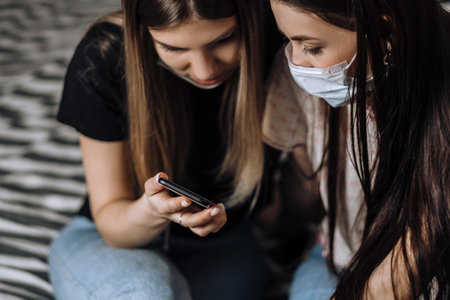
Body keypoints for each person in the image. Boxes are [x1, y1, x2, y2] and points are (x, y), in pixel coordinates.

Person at [48, 1, 282, 299]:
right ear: (141, 33)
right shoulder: (105, 55)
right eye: (173, 48)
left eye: (224, 39)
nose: (204, 70)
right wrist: (152, 210)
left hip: (223, 245)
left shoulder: (281, 35)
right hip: (110, 238)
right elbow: (112, 226)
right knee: (146, 293)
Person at [263, 0, 450, 299]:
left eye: (311, 48)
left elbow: (397, 277)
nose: (295, 63)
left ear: (386, 30)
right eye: (288, 41)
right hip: (337, 260)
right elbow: (305, 186)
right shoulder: (295, 82)